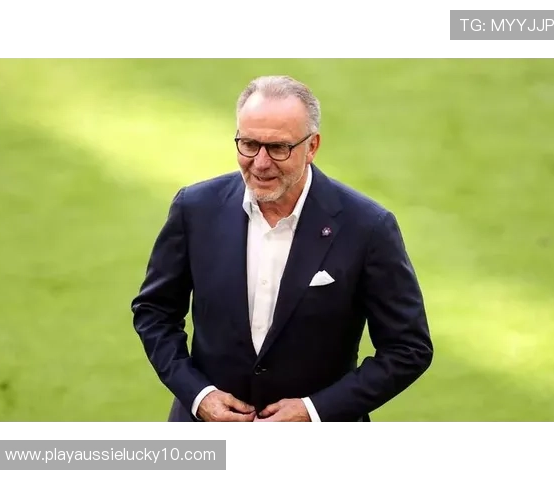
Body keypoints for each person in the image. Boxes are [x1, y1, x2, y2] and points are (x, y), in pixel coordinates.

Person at [131, 75, 433, 424]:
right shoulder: (195, 208)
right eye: (249, 144)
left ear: (312, 146)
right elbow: (154, 312)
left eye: (278, 148)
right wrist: (199, 396)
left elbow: (408, 348)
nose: (260, 163)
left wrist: (314, 410)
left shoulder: (368, 227)